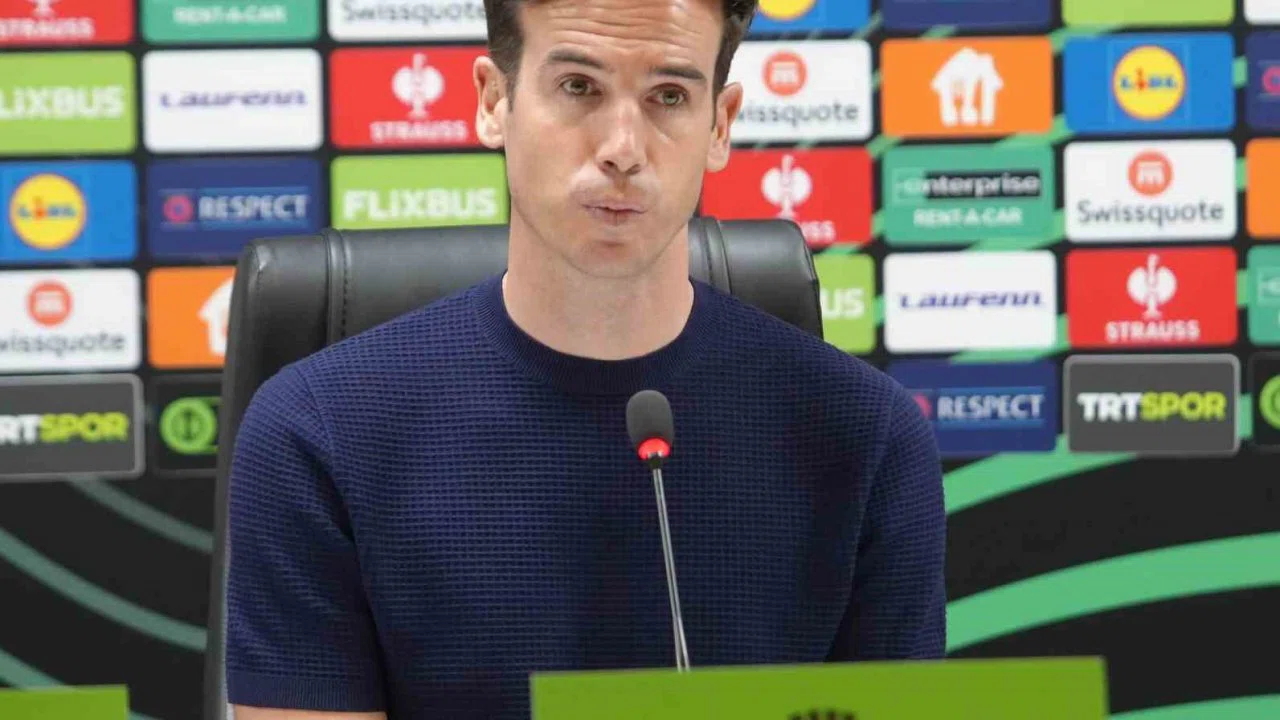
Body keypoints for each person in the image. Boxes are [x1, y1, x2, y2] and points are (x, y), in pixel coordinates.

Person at [223, 0, 947, 718]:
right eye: (579, 87)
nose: (623, 148)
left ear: (720, 125)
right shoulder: (317, 433)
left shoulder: (866, 436)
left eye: (669, 96)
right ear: (493, 102)